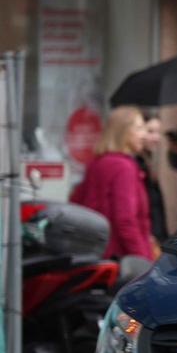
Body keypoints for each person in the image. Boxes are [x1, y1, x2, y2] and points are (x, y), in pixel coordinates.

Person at [69, 106, 154, 260]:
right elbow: (126, 221)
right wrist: (144, 261)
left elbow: (76, 201)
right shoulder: (124, 167)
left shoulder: (97, 162)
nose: (144, 135)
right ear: (123, 131)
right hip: (122, 259)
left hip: (96, 253)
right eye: (139, 128)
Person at [137, 108, 169, 247]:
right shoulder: (135, 163)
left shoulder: (147, 159)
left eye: (158, 132)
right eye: (150, 131)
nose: (156, 137)